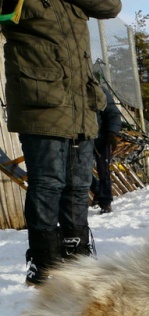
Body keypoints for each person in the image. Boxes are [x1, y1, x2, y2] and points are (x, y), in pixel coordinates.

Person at [2, 0, 123, 285]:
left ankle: (76, 256)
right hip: (41, 103)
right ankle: (44, 264)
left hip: (81, 105)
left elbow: (111, 7)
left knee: (78, 186)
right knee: (48, 184)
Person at [91, 85, 123, 214]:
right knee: (80, 171)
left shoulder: (99, 89)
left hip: (102, 137)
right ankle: (98, 190)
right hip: (83, 138)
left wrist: (111, 132)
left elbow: (113, 113)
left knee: (103, 171)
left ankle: (105, 202)